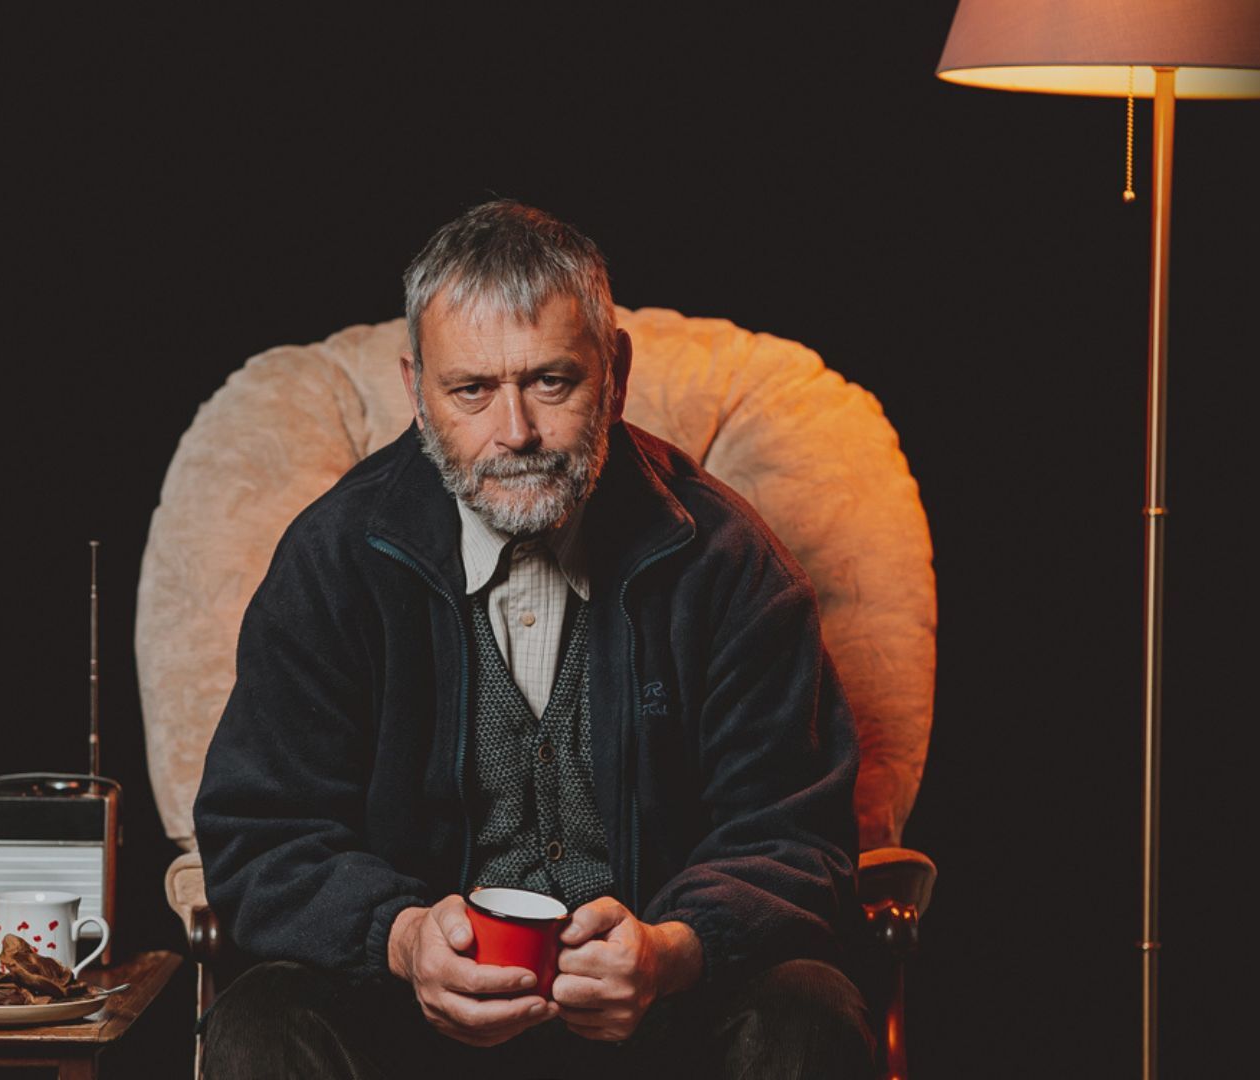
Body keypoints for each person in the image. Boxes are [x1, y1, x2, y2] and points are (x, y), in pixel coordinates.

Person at [195, 200, 873, 1078]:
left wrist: (671, 951)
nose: (512, 433)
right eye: (470, 390)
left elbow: (799, 837)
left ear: (615, 371)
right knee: (261, 1019)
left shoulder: (729, 564)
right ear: (416, 391)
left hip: (659, 1022)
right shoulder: (334, 560)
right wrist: (401, 941)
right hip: (412, 1023)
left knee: (810, 1010)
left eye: (551, 381)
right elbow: (261, 835)